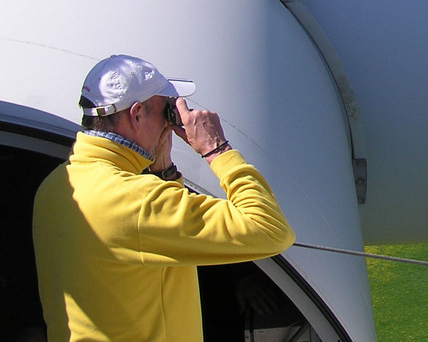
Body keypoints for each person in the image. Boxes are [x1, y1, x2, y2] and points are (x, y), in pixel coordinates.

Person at [33, 54, 295, 342]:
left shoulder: (56, 185)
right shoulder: (135, 200)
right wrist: (216, 149)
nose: (171, 122)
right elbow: (269, 230)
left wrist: (164, 173)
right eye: (166, 111)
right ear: (136, 115)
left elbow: (143, 251)